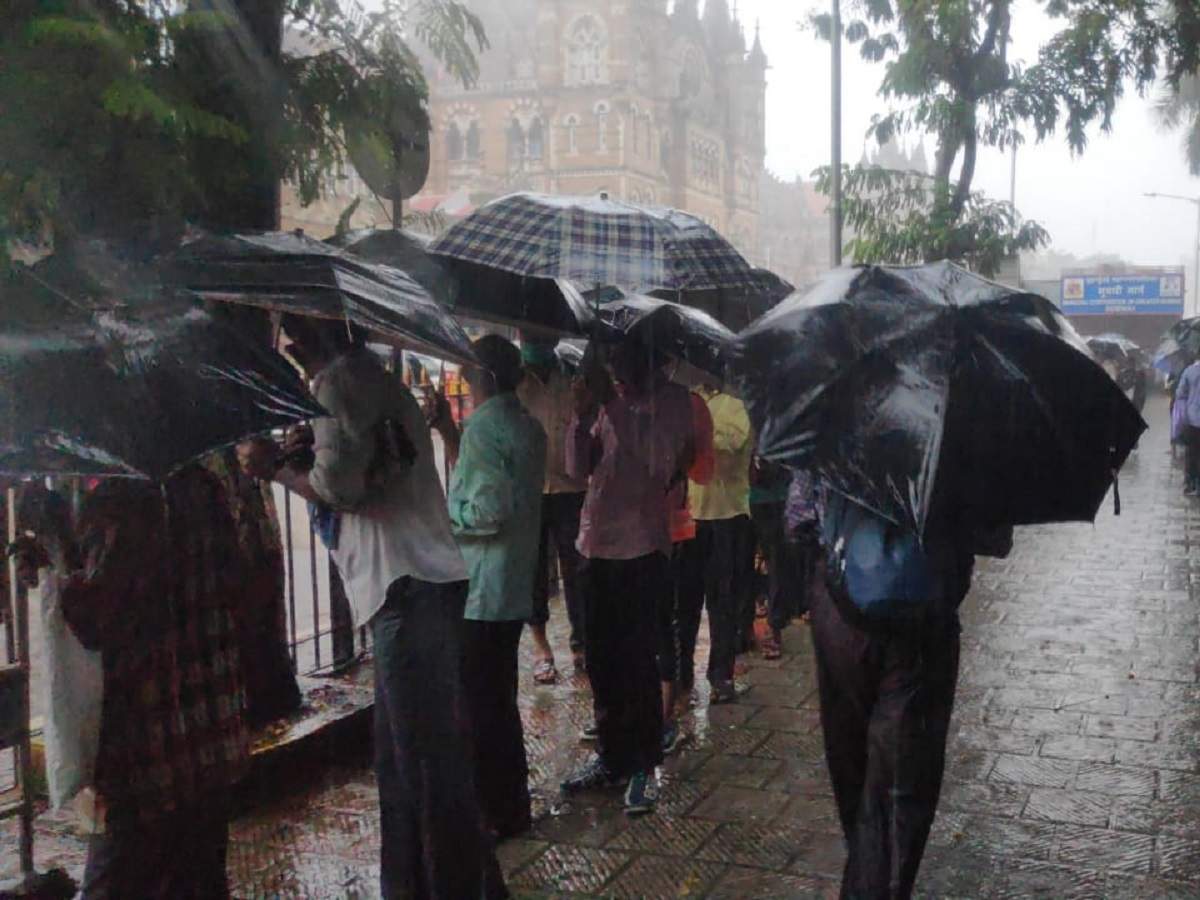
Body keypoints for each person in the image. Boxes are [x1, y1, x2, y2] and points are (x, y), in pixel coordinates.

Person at [240, 316, 506, 899]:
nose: (295, 353)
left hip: (406, 592)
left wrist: (277, 469)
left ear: (316, 339)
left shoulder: (337, 386)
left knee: (428, 772)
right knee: (403, 765)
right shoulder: (369, 379)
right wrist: (304, 448)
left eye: (296, 341)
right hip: (416, 588)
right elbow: (365, 467)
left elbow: (341, 489)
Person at [12, 469, 249, 899]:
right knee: (200, 878)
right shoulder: (206, 486)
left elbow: (96, 620)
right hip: (211, 736)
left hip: (149, 750)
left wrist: (56, 546)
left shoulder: (121, 502)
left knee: (115, 882)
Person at [809, 397, 980, 899]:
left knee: (852, 763)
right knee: (899, 790)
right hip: (920, 623)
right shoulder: (968, 414)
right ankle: (875, 882)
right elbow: (991, 534)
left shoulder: (835, 401)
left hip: (840, 610)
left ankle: (868, 871)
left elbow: (800, 518)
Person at [562, 342, 694, 815]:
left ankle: (643, 767)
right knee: (600, 660)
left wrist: (612, 406)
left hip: (641, 549)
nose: (617, 365)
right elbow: (579, 469)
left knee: (639, 661)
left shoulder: (673, 401)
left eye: (625, 355)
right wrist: (580, 416)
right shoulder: (607, 399)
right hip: (593, 546)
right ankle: (611, 757)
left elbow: (658, 465)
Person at [443, 335, 547, 840]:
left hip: (482, 587)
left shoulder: (485, 428)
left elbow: (486, 511)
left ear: (476, 373)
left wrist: (448, 517)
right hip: (513, 582)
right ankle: (511, 805)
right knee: (499, 699)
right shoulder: (527, 425)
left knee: (481, 705)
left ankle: (493, 811)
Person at [516, 334, 589, 682]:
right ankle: (541, 647)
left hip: (571, 488)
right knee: (532, 571)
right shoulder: (515, 382)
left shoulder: (571, 377)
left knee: (576, 569)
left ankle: (581, 643)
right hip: (530, 490)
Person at [677, 384, 754, 703]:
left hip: (727, 515)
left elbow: (730, 446)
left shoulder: (737, 404)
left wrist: (696, 430)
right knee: (684, 600)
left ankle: (721, 675)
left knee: (722, 600)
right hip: (688, 516)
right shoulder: (686, 399)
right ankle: (680, 673)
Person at [661, 384, 714, 751]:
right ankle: (674, 677)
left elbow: (701, 466)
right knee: (671, 608)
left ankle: (679, 677)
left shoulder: (690, 404)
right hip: (657, 528)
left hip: (689, 521)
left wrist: (678, 464)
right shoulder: (629, 405)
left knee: (684, 604)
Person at [750, 456, 802, 660]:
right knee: (762, 563)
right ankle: (758, 623)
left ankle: (773, 626)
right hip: (746, 499)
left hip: (775, 497)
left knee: (776, 563)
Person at [1175, 358, 1200, 494]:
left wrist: (1184, 414)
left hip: (1192, 420)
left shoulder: (1189, 371)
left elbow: (1180, 394)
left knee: (1192, 453)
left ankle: (1191, 483)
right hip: (1193, 419)